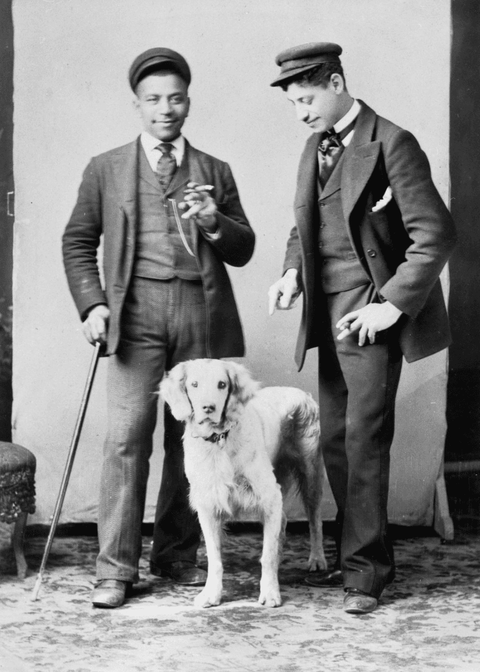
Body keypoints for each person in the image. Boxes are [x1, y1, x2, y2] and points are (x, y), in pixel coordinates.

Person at [62, 48, 254, 608]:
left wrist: (215, 222)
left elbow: (244, 250)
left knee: (190, 437)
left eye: (174, 98)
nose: (165, 108)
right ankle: (114, 569)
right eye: (153, 99)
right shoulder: (106, 168)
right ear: (137, 105)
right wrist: (91, 304)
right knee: (126, 438)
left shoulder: (214, 170)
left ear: (188, 102)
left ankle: (176, 556)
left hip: (200, 309)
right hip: (133, 312)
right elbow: (77, 241)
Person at [268, 42, 456, 614]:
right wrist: (291, 274)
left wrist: (391, 305)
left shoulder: (393, 143)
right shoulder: (312, 147)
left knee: (365, 440)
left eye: (308, 98)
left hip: (371, 315)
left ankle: (367, 574)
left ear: (337, 81)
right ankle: (361, 558)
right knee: (334, 439)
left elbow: (435, 234)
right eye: (295, 102)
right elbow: (305, 224)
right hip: (329, 317)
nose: (302, 111)